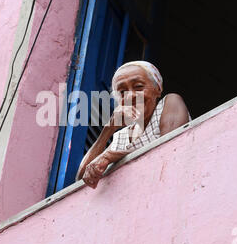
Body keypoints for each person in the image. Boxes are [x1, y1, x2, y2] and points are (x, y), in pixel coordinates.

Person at [76, 61, 191, 189]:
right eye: (122, 92)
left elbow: (170, 148)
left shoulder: (169, 102)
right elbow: (81, 179)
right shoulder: (122, 136)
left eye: (138, 87)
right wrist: (108, 130)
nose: (130, 96)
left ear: (158, 89)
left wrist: (110, 156)